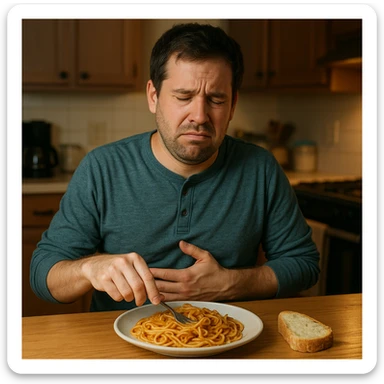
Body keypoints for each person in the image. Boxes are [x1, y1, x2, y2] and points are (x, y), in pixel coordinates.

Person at [30, 22, 320, 312]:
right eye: (183, 97)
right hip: (118, 348)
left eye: (216, 99)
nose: (200, 116)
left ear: (232, 105)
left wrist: (230, 283)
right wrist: (89, 269)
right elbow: (43, 275)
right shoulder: (102, 168)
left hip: (229, 342)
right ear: (153, 97)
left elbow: (304, 264)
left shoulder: (261, 169)